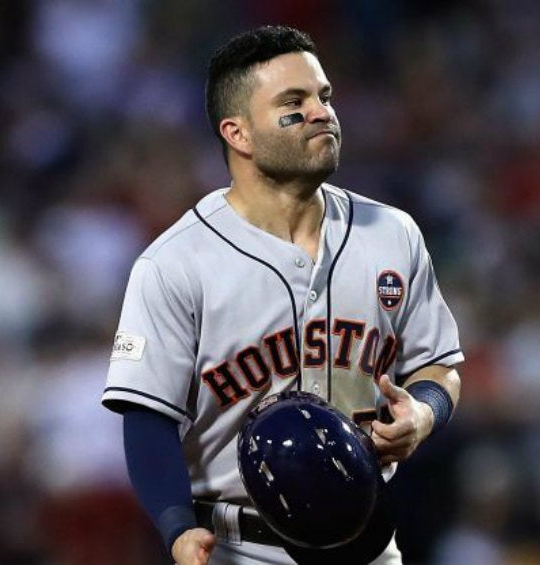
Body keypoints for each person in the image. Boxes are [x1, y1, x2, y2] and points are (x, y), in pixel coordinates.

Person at [102, 25, 463, 565]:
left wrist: (425, 415)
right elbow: (147, 417)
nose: (321, 112)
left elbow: (440, 366)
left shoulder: (393, 233)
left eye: (324, 96)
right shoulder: (175, 263)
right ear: (238, 133)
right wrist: (176, 527)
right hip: (237, 544)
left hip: (370, 541)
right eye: (293, 102)